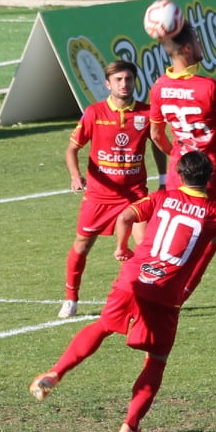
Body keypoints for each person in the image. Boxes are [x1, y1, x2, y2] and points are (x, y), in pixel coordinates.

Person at [29, 151, 216, 432]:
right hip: (164, 292)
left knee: (103, 325)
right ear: (211, 177)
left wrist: (121, 247)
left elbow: (127, 215)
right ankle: (130, 426)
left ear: (179, 175)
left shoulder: (161, 198)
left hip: (133, 277)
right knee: (156, 359)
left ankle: (55, 373)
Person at [147, 12, 216, 297]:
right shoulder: (209, 88)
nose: (200, 45)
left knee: (171, 229)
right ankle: (180, 292)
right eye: (197, 41)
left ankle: (151, 281)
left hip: (179, 171)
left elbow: (155, 134)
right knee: (208, 235)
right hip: (212, 172)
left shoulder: (160, 87)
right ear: (187, 49)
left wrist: (176, 154)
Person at [61, 60, 163, 320]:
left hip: (134, 195)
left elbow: (158, 143)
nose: (124, 84)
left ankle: (141, 299)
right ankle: (71, 297)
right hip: (98, 197)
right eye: (118, 80)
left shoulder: (146, 113)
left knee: (144, 248)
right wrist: (76, 176)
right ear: (107, 84)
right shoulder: (94, 113)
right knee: (82, 245)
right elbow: (72, 149)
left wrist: (164, 177)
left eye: (128, 79)